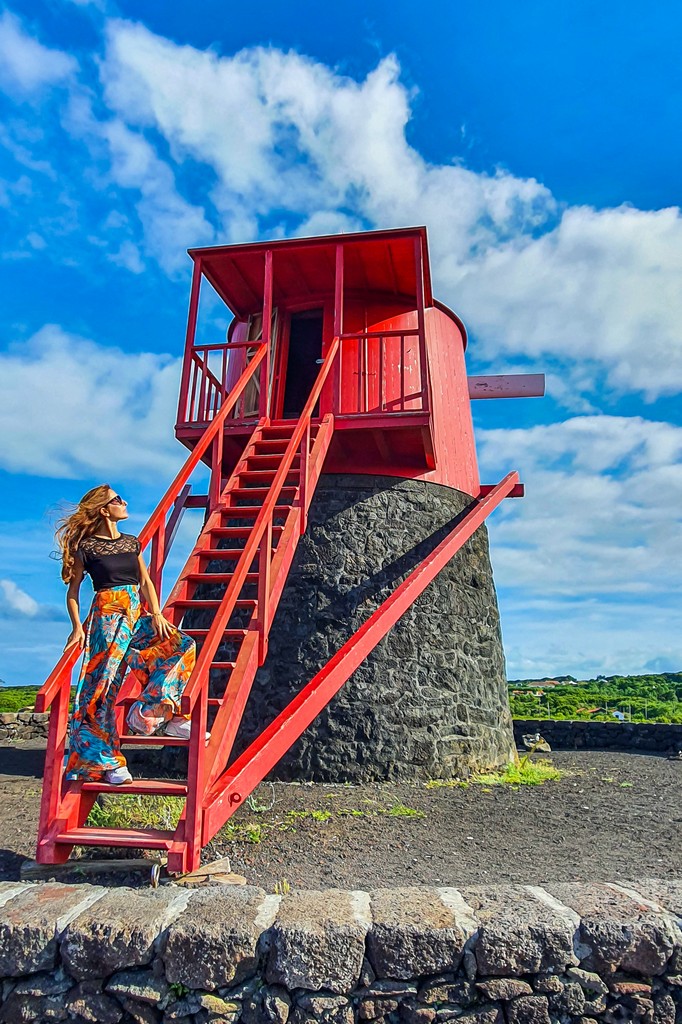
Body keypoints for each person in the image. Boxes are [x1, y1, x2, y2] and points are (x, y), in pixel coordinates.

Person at [55, 484, 196, 785]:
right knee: (102, 687)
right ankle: (108, 762)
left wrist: (157, 613)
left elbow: (145, 581)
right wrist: (77, 627)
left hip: (136, 612)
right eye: (117, 500)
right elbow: (73, 591)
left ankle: (154, 709)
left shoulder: (131, 543)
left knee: (181, 645)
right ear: (104, 510)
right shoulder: (87, 548)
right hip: (107, 616)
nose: (125, 502)